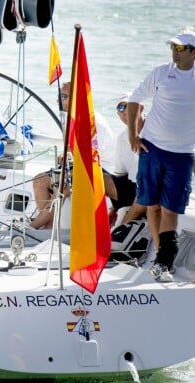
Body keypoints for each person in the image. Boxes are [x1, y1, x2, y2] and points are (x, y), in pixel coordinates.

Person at [127, 30, 195, 282]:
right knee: (152, 206)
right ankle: (161, 259)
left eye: (180, 48)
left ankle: (164, 261)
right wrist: (133, 135)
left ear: (193, 52)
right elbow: (134, 100)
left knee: (170, 209)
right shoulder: (160, 73)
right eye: (172, 48)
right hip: (152, 148)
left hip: (182, 154)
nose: (174, 53)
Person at [30, 81, 117, 230]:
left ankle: (33, 227)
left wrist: (70, 158)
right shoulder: (72, 118)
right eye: (59, 96)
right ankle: (48, 227)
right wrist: (67, 155)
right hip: (76, 167)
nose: (58, 100)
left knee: (61, 188)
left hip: (99, 173)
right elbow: (72, 147)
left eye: (63, 96)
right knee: (40, 180)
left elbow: (93, 156)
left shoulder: (94, 122)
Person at [110, 93, 148, 227]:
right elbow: (121, 176)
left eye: (126, 106)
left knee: (143, 198)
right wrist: (114, 209)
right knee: (93, 178)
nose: (123, 112)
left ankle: (117, 233)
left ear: (141, 108)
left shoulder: (156, 131)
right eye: (119, 109)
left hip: (153, 186)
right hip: (135, 187)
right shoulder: (121, 138)